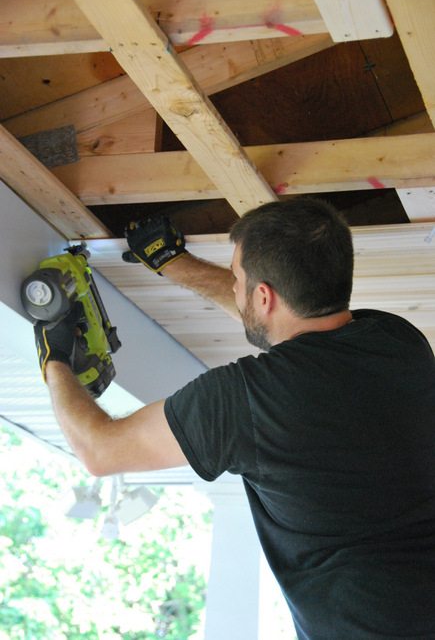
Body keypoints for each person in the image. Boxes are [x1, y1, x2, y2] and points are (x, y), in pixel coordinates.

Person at [34, 197, 435, 639]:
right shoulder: (397, 340)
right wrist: (174, 263)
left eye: (236, 277)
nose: (234, 285)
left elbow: (99, 450)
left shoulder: (243, 400)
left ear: (263, 295)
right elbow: (282, 324)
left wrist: (55, 358)